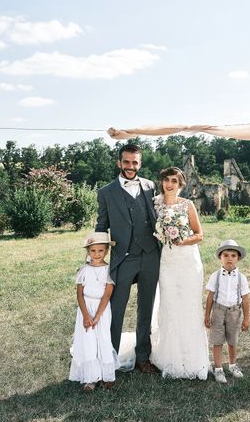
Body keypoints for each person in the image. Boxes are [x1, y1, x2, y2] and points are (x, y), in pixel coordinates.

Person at [95, 144, 161, 373]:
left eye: (135, 162)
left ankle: (143, 356)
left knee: (146, 308)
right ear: (119, 163)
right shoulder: (106, 192)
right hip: (123, 258)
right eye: (126, 162)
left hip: (151, 255)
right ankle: (109, 359)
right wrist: (97, 259)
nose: (130, 166)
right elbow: (101, 226)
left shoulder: (150, 187)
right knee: (116, 309)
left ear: (140, 164)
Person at [150, 166, 210, 379]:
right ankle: (169, 357)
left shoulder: (188, 205)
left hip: (188, 261)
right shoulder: (155, 203)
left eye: (174, 181)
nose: (169, 184)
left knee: (189, 305)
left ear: (181, 184)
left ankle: (193, 358)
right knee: (170, 305)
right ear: (162, 182)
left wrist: (182, 240)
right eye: (166, 180)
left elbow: (200, 234)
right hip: (167, 261)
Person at [69, 232, 120, 391]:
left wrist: (97, 316)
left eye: (100, 251)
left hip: (102, 310)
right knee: (88, 341)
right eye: (93, 251)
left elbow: (107, 294)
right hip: (86, 309)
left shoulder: (108, 270)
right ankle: (90, 378)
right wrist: (86, 315)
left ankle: (107, 376)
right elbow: (79, 294)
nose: (97, 254)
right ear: (88, 251)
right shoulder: (83, 270)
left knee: (103, 339)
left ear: (106, 251)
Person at [204, 239, 250, 383]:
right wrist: (207, 315)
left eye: (233, 255)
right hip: (218, 311)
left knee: (232, 340)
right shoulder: (215, 276)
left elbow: (245, 299)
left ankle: (232, 365)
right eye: (226, 255)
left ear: (238, 258)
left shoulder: (241, 278)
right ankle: (218, 369)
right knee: (217, 340)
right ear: (220, 257)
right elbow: (210, 297)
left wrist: (246, 318)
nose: (229, 258)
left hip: (234, 312)